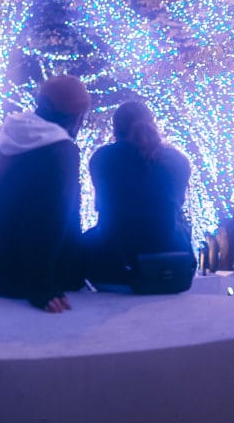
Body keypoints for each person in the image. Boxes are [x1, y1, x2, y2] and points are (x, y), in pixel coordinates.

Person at [0, 74, 91, 313]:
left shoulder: (1, 135)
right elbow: (46, 219)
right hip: (19, 277)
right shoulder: (61, 151)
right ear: (77, 117)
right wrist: (41, 286)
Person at [82, 100, 192, 286]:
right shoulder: (178, 160)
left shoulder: (102, 158)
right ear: (152, 122)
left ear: (115, 128)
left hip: (111, 265)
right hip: (171, 266)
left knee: (87, 239)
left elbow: (103, 204)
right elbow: (177, 204)